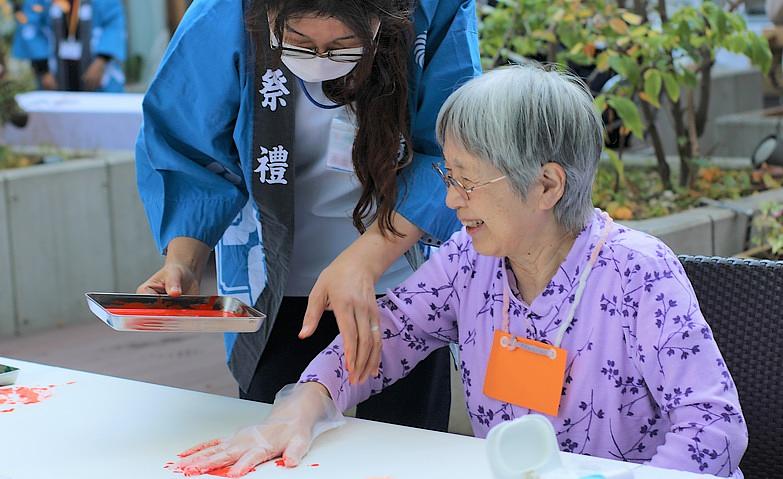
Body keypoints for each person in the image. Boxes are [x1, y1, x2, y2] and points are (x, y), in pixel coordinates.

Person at [175, 64, 748, 478]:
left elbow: (713, 427)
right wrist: (307, 400)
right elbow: (387, 335)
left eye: (468, 181)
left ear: (547, 185)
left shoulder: (639, 274)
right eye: (449, 177)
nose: (451, 201)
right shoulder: (470, 261)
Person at [135, 0, 481, 432]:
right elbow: (186, 143)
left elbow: (453, 149)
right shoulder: (224, 12)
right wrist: (184, 262)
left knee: (405, 441)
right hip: (273, 283)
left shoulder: (435, 8)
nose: (320, 59)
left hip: (400, 277)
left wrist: (365, 260)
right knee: (273, 439)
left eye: (343, 45)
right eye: (297, 42)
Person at [11, 0, 127, 92]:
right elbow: (30, 28)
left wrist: (101, 61)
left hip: (98, 72)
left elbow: (114, 25)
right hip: (54, 74)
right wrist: (43, 70)